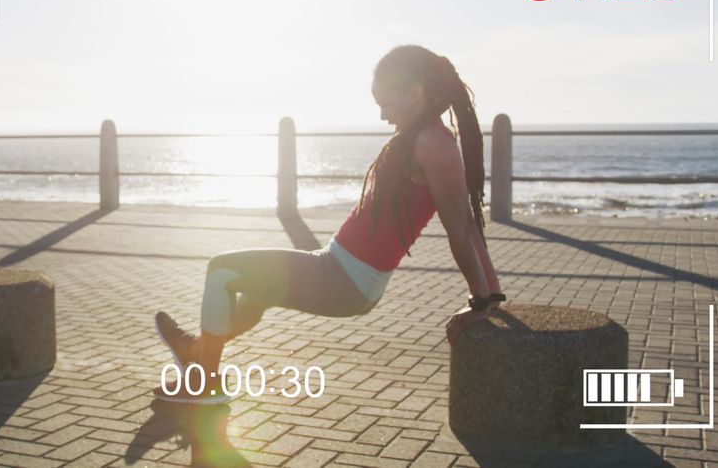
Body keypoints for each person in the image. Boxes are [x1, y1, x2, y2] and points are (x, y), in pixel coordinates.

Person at [155, 45, 504, 404]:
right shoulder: (425, 139)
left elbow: (461, 225)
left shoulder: (432, 143)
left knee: (222, 269)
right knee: (258, 293)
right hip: (340, 269)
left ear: (415, 94)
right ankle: (197, 351)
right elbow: (467, 221)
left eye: (385, 103)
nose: (383, 115)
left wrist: (480, 301)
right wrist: (492, 293)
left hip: (344, 279)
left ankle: (205, 383)